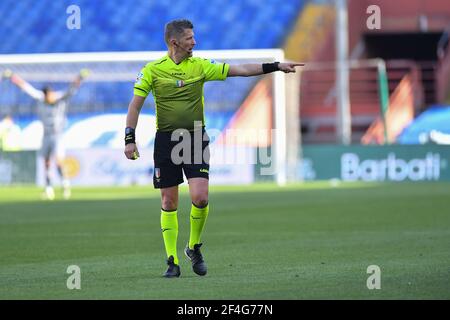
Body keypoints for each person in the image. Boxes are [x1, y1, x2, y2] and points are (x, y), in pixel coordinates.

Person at [124, 19, 303, 278]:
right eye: (189, 38)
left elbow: (240, 70)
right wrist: (129, 138)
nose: (194, 42)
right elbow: (135, 106)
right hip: (166, 141)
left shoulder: (200, 66)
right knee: (168, 200)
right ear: (175, 42)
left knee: (201, 197)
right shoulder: (152, 70)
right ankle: (171, 261)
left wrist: (275, 66)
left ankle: (193, 247)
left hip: (195, 138)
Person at [3, 68, 89, 200]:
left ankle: (65, 183)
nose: (49, 97)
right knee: (47, 162)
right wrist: (13, 77)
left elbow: (71, 89)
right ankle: (48, 188)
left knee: (59, 162)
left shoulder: (60, 98)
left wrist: (80, 78)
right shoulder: (41, 98)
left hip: (58, 135)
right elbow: (27, 88)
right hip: (46, 135)